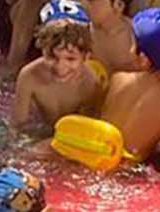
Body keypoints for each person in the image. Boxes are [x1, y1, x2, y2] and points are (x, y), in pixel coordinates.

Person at [98, 8, 160, 178]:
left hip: (92, 157)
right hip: (126, 173)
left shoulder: (117, 78)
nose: (130, 49)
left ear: (144, 59)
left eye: (133, 44)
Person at [11, 1, 103, 132]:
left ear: (86, 57)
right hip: (41, 130)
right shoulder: (29, 76)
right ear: (42, 49)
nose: (61, 67)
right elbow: (17, 126)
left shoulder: (90, 83)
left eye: (71, 59)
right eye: (52, 57)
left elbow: (89, 127)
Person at [81, 0, 139, 72]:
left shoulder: (137, 36)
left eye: (92, 1)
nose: (84, 4)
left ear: (118, 5)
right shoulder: (83, 37)